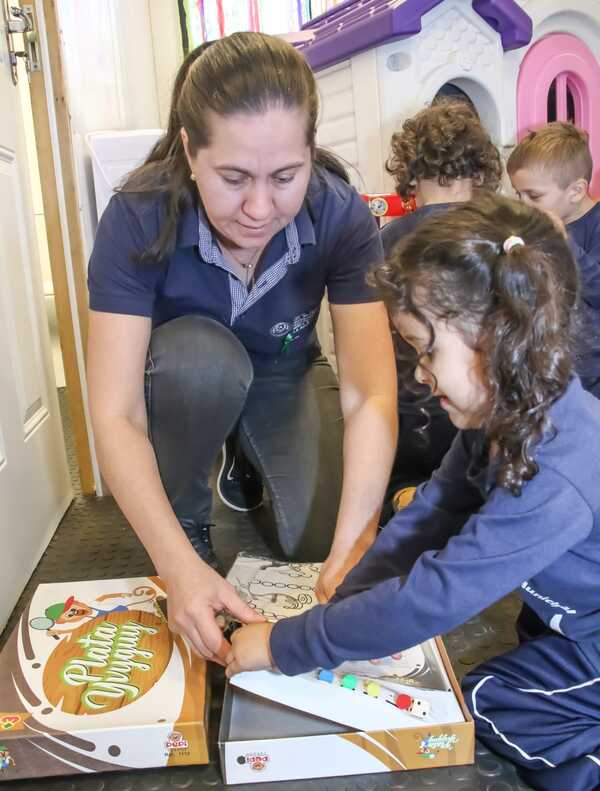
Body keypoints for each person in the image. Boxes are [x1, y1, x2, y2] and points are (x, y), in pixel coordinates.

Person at [226, 195, 600, 791]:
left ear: (498, 339)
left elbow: (434, 596)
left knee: (490, 702)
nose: (420, 374)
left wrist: (285, 644)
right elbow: (434, 512)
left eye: (427, 350)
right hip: (567, 621)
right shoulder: (499, 416)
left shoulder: (558, 468)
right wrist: (343, 604)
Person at [86, 33, 398, 664]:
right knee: (202, 362)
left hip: (285, 368)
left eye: (285, 176)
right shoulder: (138, 213)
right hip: (186, 375)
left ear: (311, 154)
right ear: (189, 153)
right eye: (233, 178)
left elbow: (370, 391)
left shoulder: (340, 214)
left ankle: (247, 459)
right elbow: (115, 412)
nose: (259, 208)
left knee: (319, 540)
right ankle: (192, 522)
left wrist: (356, 540)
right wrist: (178, 568)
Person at [380, 99, 502, 520]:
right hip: (482, 411)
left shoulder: (387, 239)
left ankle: (408, 506)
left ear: (409, 174)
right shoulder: (502, 233)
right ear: (481, 173)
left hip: (405, 415)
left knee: (405, 496)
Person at [508, 121, 600, 398]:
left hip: (594, 370)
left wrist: (564, 244)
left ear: (576, 191)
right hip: (550, 362)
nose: (524, 205)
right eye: (518, 194)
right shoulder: (537, 224)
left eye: (534, 196)